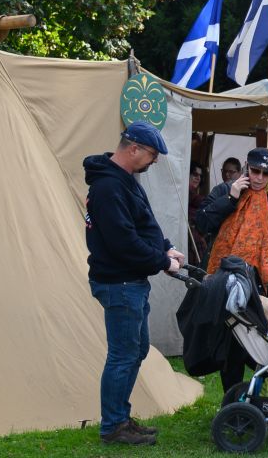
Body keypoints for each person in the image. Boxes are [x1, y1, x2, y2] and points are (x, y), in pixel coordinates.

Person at [83, 121, 183, 446]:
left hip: (131, 281)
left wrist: (165, 247)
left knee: (135, 350)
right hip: (119, 283)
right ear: (134, 148)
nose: (154, 161)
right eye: (152, 154)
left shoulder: (126, 182)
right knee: (123, 355)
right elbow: (123, 242)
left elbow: (145, 223)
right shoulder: (108, 188)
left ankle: (120, 418)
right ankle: (113, 426)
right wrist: (161, 262)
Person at [196, 147, 268, 391]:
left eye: (266, 174)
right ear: (247, 167)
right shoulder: (226, 190)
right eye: (255, 171)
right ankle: (235, 401)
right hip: (231, 279)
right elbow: (203, 221)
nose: (259, 178)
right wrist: (231, 198)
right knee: (232, 345)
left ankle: (266, 400)